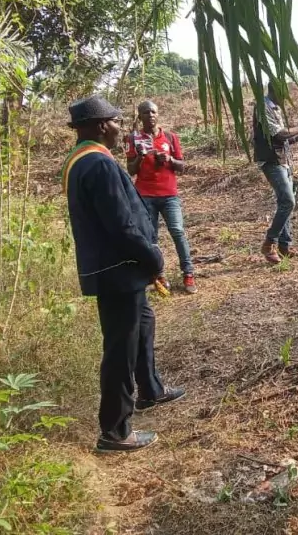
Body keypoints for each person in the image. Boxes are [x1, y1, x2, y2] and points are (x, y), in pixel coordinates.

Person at [63, 95, 185, 453]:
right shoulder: (98, 165)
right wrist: (154, 258)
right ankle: (114, 432)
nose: (121, 128)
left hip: (114, 270)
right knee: (120, 348)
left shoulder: (80, 160)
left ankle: (150, 390)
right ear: (102, 125)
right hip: (119, 272)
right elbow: (122, 226)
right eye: (116, 121)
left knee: (143, 324)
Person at [125, 100, 196, 294]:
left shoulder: (170, 137)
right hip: (145, 195)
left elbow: (181, 166)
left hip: (169, 195)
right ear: (140, 116)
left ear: (158, 114)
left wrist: (169, 159)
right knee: (151, 237)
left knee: (178, 232)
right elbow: (130, 170)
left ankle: (188, 273)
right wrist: (140, 156)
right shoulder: (134, 139)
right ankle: (158, 275)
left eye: (153, 112)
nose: (151, 115)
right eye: (146, 112)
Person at [252, 82, 298, 264]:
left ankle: (284, 246)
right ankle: (269, 243)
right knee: (288, 201)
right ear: (276, 91)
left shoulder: (275, 108)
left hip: (282, 160)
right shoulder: (263, 107)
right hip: (271, 160)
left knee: (285, 202)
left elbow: (284, 140)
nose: (288, 98)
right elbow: (280, 135)